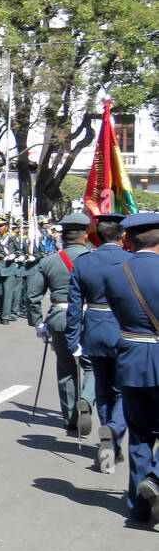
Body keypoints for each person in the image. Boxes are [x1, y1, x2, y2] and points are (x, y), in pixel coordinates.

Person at [98, 212, 159, 523]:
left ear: (129, 239)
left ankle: (139, 506)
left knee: (139, 433)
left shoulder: (113, 273)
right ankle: (157, 478)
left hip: (130, 357)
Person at [67, 213, 129, 474]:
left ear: (96, 234)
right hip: (124, 330)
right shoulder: (131, 260)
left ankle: (110, 445)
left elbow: (74, 305)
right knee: (127, 390)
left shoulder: (85, 262)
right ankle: (114, 430)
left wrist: (73, 338)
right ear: (123, 235)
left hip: (95, 329)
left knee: (103, 389)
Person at [26, 212, 95, 436]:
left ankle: (70, 418)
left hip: (59, 316)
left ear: (63, 237)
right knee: (91, 366)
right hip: (89, 317)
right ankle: (86, 398)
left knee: (66, 369)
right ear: (85, 236)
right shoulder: (94, 258)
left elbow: (32, 296)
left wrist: (38, 323)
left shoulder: (48, 261)